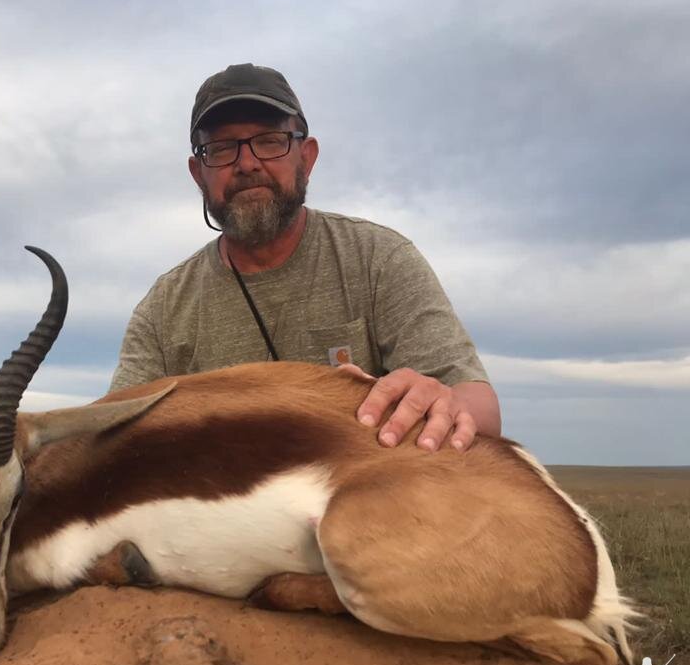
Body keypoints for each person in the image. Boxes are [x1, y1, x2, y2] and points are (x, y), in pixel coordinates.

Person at [109, 63, 501, 452]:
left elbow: (479, 408)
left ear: (307, 157)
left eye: (269, 141)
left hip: (367, 506)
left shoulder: (379, 260)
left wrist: (446, 404)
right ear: (198, 173)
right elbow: (111, 433)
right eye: (222, 148)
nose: (247, 164)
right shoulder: (163, 308)